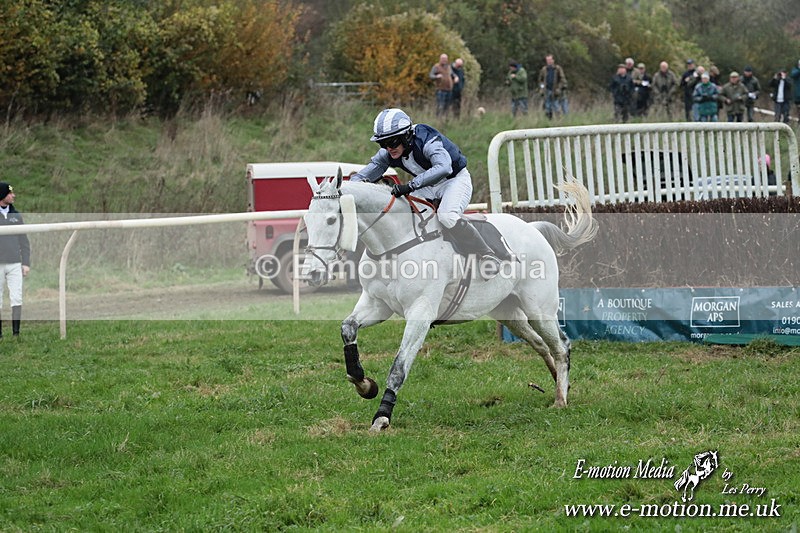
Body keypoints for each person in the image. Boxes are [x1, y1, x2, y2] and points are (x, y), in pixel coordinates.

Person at [350, 108, 502, 274]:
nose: (388, 148)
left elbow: (444, 167)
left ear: (406, 136)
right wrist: (348, 188)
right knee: (405, 213)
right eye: (383, 144)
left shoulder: (427, 141)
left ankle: (487, 254)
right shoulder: (388, 152)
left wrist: (410, 185)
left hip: (455, 180)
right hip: (428, 186)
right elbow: (363, 176)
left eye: (393, 142)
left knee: (447, 216)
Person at [0, 182, 30, 338]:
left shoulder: (16, 215)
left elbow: (24, 241)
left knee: (16, 296)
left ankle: (16, 334)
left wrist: (25, 263)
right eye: (10, 193)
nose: (13, 195)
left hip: (14, 263)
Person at [538, 54, 568, 119]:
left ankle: (559, 120)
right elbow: (541, 80)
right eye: (547, 60)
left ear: (553, 60)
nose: (549, 61)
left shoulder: (557, 69)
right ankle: (549, 121)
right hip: (547, 90)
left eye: (550, 60)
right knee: (547, 107)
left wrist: (559, 88)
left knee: (556, 106)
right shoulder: (544, 69)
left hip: (555, 91)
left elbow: (562, 79)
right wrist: (542, 88)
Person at [429, 53, 455, 117]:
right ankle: (438, 119)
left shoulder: (449, 67)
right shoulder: (436, 66)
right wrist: (436, 76)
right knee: (440, 105)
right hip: (440, 90)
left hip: (449, 90)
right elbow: (431, 75)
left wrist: (456, 77)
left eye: (445, 59)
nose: (444, 60)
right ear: (440, 59)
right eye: (443, 59)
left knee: (447, 106)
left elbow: (452, 74)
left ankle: (445, 119)